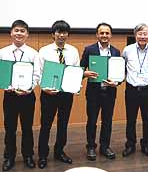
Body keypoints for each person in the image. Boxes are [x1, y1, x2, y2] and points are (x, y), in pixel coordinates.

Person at [37, 20, 80, 169]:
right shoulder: (44, 51)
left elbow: (75, 72)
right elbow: (39, 73)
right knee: (46, 125)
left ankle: (59, 151)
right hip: (49, 93)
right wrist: (44, 88)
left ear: (67, 34)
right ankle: (42, 155)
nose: (61, 35)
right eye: (58, 32)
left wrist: (75, 87)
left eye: (64, 32)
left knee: (63, 124)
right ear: (53, 34)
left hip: (66, 94)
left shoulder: (73, 51)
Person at [0, 20, 40, 171]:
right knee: (10, 128)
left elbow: (37, 75)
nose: (19, 33)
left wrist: (29, 88)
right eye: (16, 30)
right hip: (9, 96)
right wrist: (9, 87)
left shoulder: (33, 54)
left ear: (27, 34)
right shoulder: (2, 53)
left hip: (27, 96)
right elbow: (2, 75)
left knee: (27, 127)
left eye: (22, 31)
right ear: (11, 33)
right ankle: (9, 157)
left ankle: (28, 156)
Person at [80, 23, 120, 161]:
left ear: (111, 35)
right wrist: (85, 73)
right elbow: (80, 69)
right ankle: (91, 146)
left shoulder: (116, 52)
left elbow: (119, 74)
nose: (104, 35)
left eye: (107, 33)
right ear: (97, 35)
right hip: (93, 92)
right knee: (92, 120)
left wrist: (117, 83)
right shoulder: (89, 50)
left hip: (109, 92)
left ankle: (105, 146)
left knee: (107, 121)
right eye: (101, 33)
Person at [122, 23, 148, 157]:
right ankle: (130, 145)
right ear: (135, 35)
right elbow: (124, 68)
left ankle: (146, 145)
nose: (142, 36)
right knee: (130, 119)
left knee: (147, 119)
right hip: (131, 89)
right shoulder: (127, 50)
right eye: (140, 33)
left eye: (145, 34)